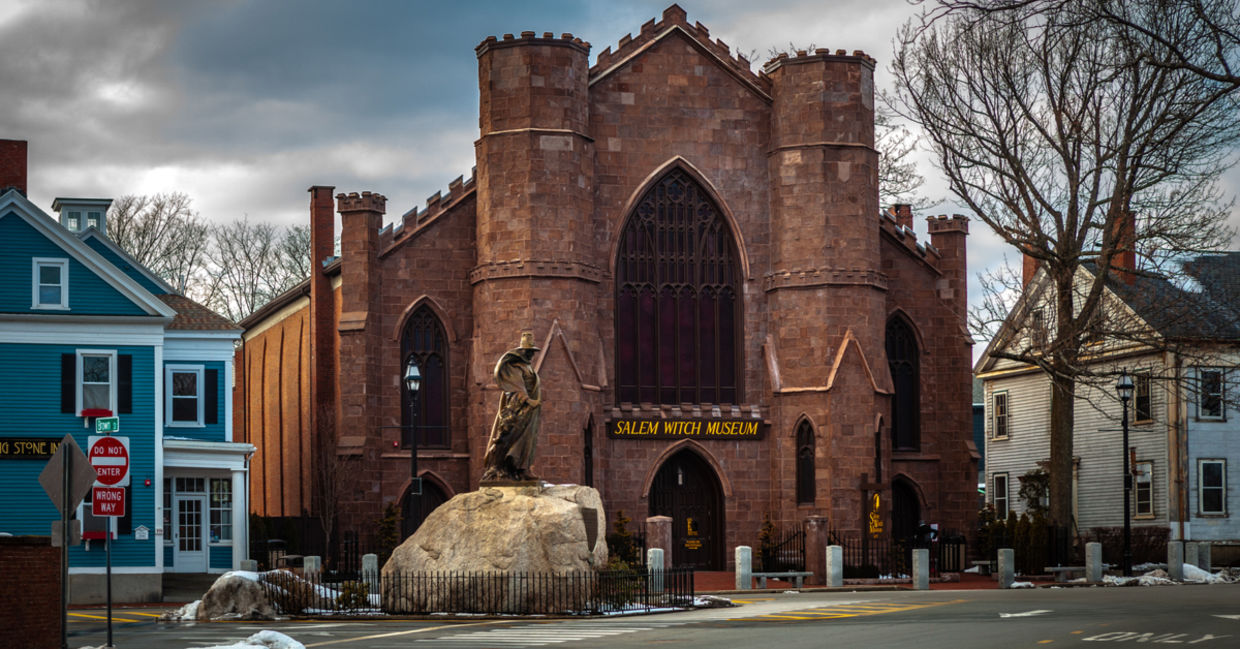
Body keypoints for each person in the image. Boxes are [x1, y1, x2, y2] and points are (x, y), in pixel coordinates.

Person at [481, 331, 542, 482]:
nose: (530, 355)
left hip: (531, 410)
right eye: (528, 351)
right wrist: (528, 401)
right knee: (512, 437)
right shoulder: (514, 367)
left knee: (528, 438)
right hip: (519, 408)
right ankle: (505, 467)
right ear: (521, 351)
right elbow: (516, 388)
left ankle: (523, 468)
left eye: (532, 352)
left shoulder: (528, 367)